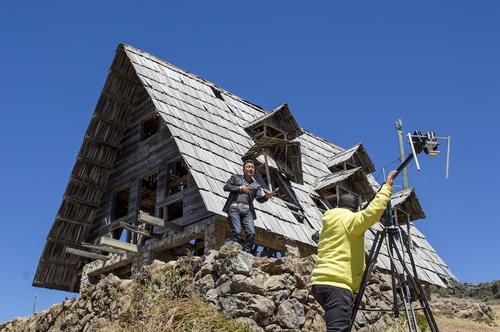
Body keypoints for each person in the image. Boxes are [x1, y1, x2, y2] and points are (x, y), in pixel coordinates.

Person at [310, 170, 397, 332]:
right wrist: (387, 188)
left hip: (319, 284)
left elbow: (317, 238)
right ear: (354, 210)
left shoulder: (329, 223)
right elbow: (372, 213)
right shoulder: (351, 220)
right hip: (338, 284)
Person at [223, 160, 274, 253]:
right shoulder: (236, 178)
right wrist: (240, 188)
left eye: (252, 167)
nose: (251, 169)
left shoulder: (256, 185)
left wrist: (266, 196)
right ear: (243, 169)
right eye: (248, 167)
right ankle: (229, 246)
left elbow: (259, 199)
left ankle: (246, 252)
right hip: (234, 208)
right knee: (237, 232)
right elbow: (226, 187)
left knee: (251, 233)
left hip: (247, 211)